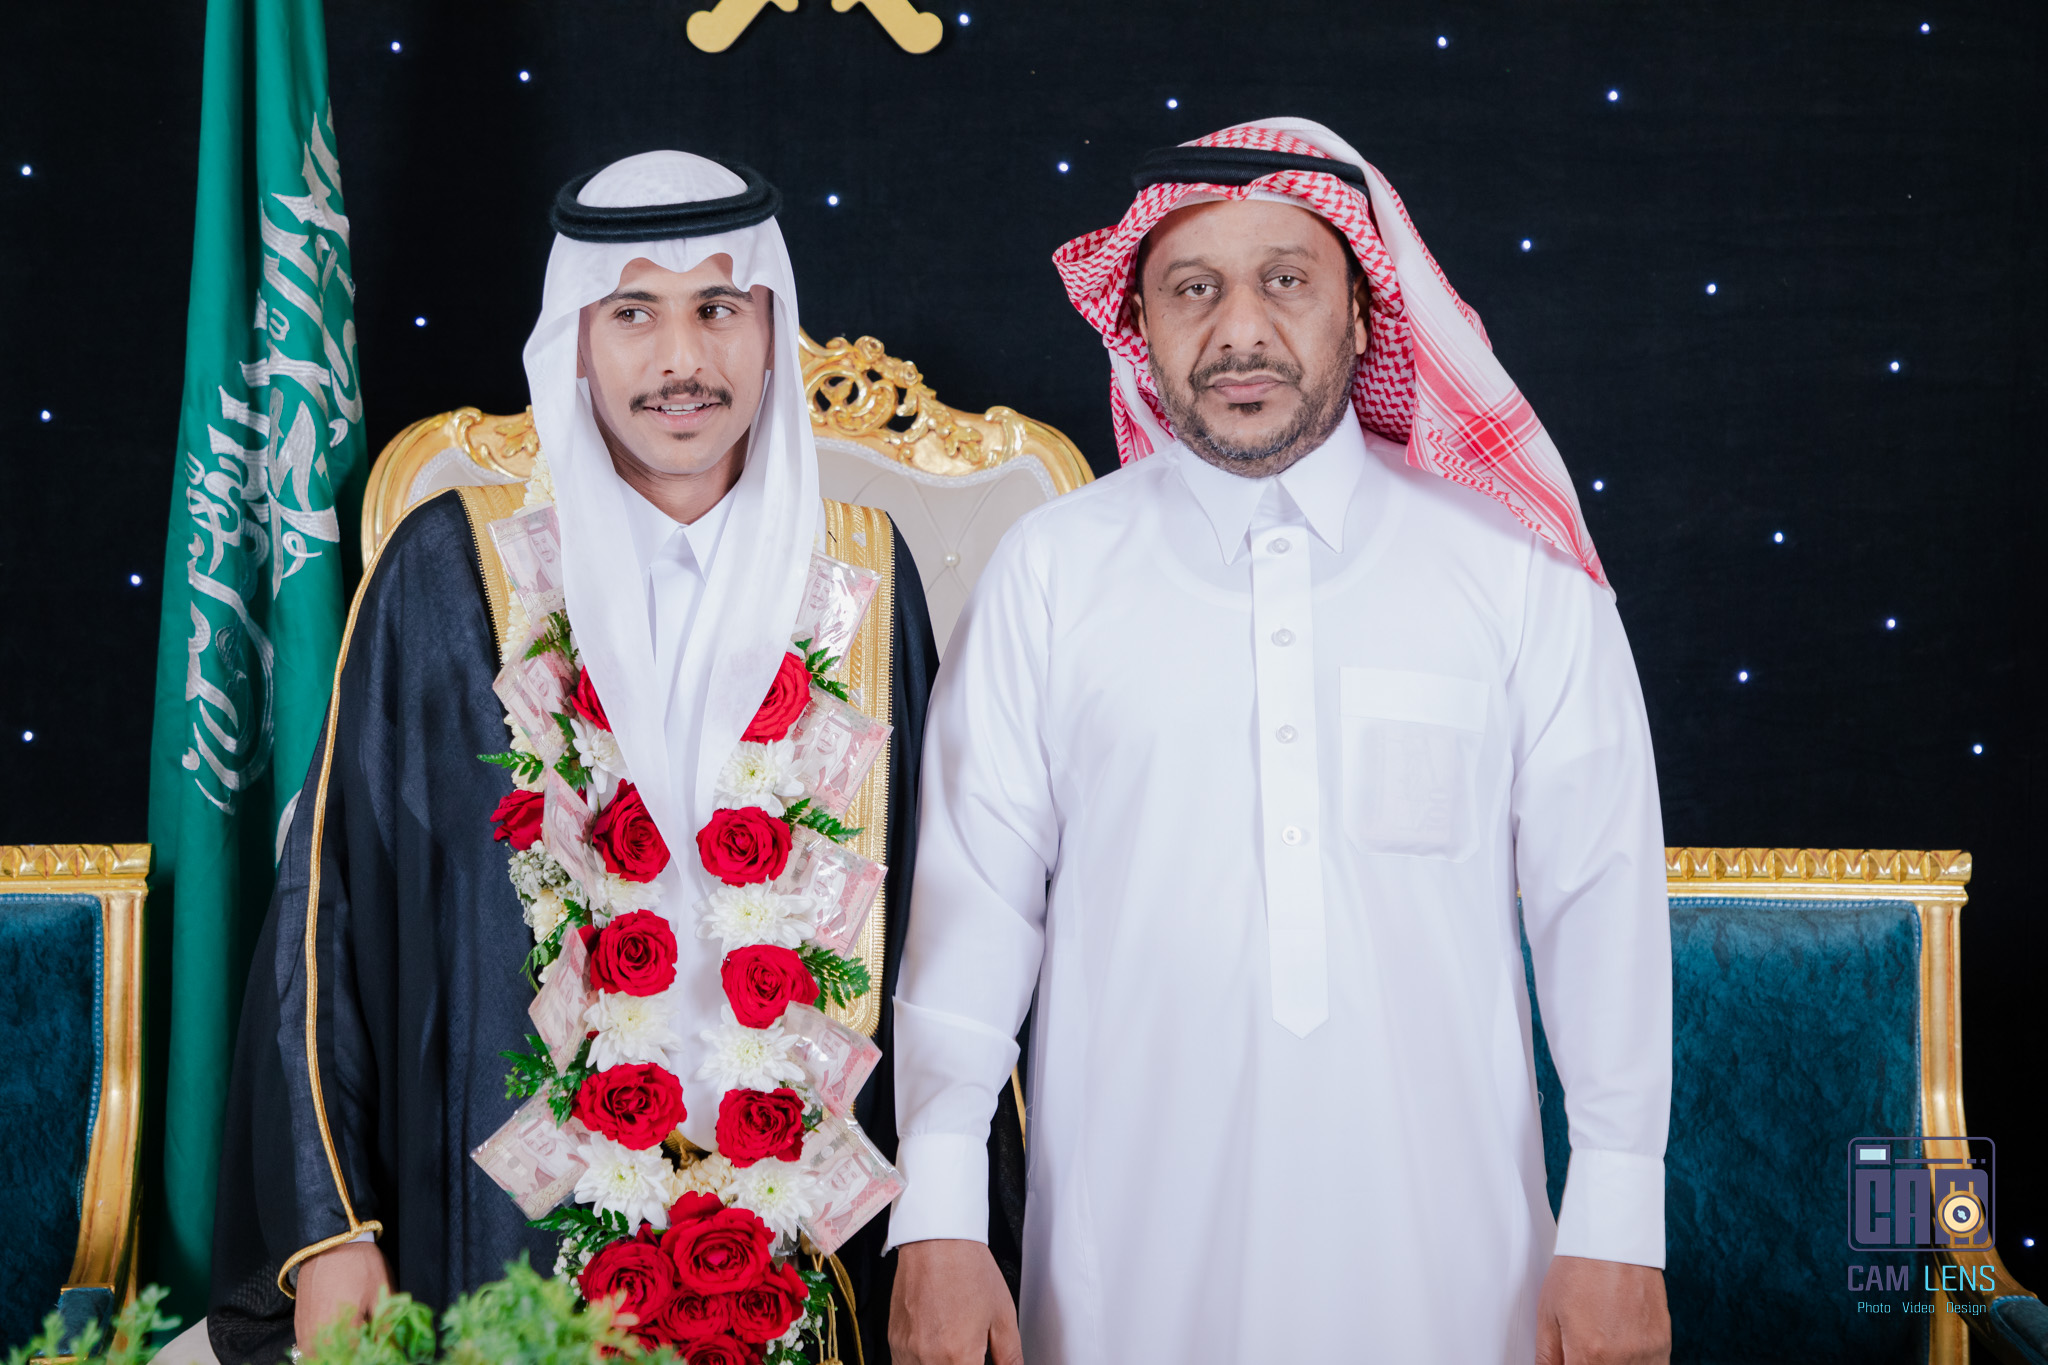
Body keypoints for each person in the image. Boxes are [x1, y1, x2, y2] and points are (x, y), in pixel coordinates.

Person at [208, 150, 1023, 1364]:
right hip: (505, 1230)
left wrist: (948, 1228)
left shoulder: (858, 578)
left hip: (806, 1244)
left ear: (770, 330)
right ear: (575, 342)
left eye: (718, 308)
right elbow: (330, 912)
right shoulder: (453, 572)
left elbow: (944, 923)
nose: (681, 359)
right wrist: (331, 1230)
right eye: (633, 313)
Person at [885, 119, 1672, 1365]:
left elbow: (1601, 904)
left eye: (1285, 281)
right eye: (1191, 289)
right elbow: (972, 913)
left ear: (1360, 313)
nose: (1238, 330)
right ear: (1136, 322)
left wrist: (1619, 1223)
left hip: (1450, 1263)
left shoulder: (1510, 570)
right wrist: (938, 1219)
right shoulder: (1051, 572)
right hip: (1124, 1265)